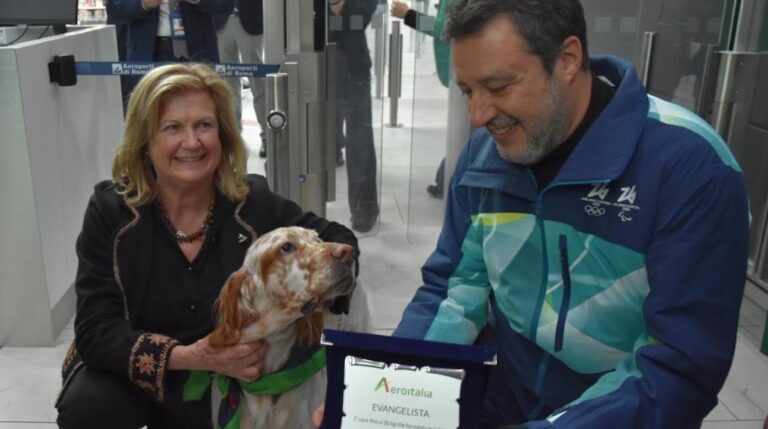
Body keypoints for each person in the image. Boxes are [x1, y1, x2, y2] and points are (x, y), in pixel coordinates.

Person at [393, 0, 749, 427]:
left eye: (499, 87)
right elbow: (451, 290)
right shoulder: (485, 156)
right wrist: (385, 398)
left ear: (567, 59)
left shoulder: (691, 170)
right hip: (495, 400)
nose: (478, 115)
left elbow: (677, 367)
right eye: (468, 91)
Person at [55, 63, 359, 429]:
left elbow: (340, 239)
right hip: (137, 373)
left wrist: (319, 292)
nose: (192, 142)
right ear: (144, 142)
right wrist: (192, 356)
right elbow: (95, 331)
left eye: (204, 125)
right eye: (172, 128)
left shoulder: (253, 203)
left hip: (222, 380)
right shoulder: (111, 212)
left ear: (223, 135)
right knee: (88, 406)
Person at [328, 0, 381, 233]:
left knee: (359, 139)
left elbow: (360, 17)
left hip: (352, 64)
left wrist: (336, 7)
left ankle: (364, 207)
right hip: (313, 61)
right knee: (316, 134)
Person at [391, 0, 452, 198]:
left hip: (461, 69)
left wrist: (409, 15)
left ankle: (446, 179)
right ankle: (444, 179)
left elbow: (444, 28)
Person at [105, 0, 232, 94]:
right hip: (148, 53)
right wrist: (144, 3)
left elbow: (226, 4)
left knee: (201, 110)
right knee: (148, 114)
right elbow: (114, 9)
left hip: (199, 51)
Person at [213, 0, 269, 158]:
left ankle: (267, 135)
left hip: (250, 20)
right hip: (222, 20)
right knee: (228, 82)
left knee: (258, 81)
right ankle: (233, 135)